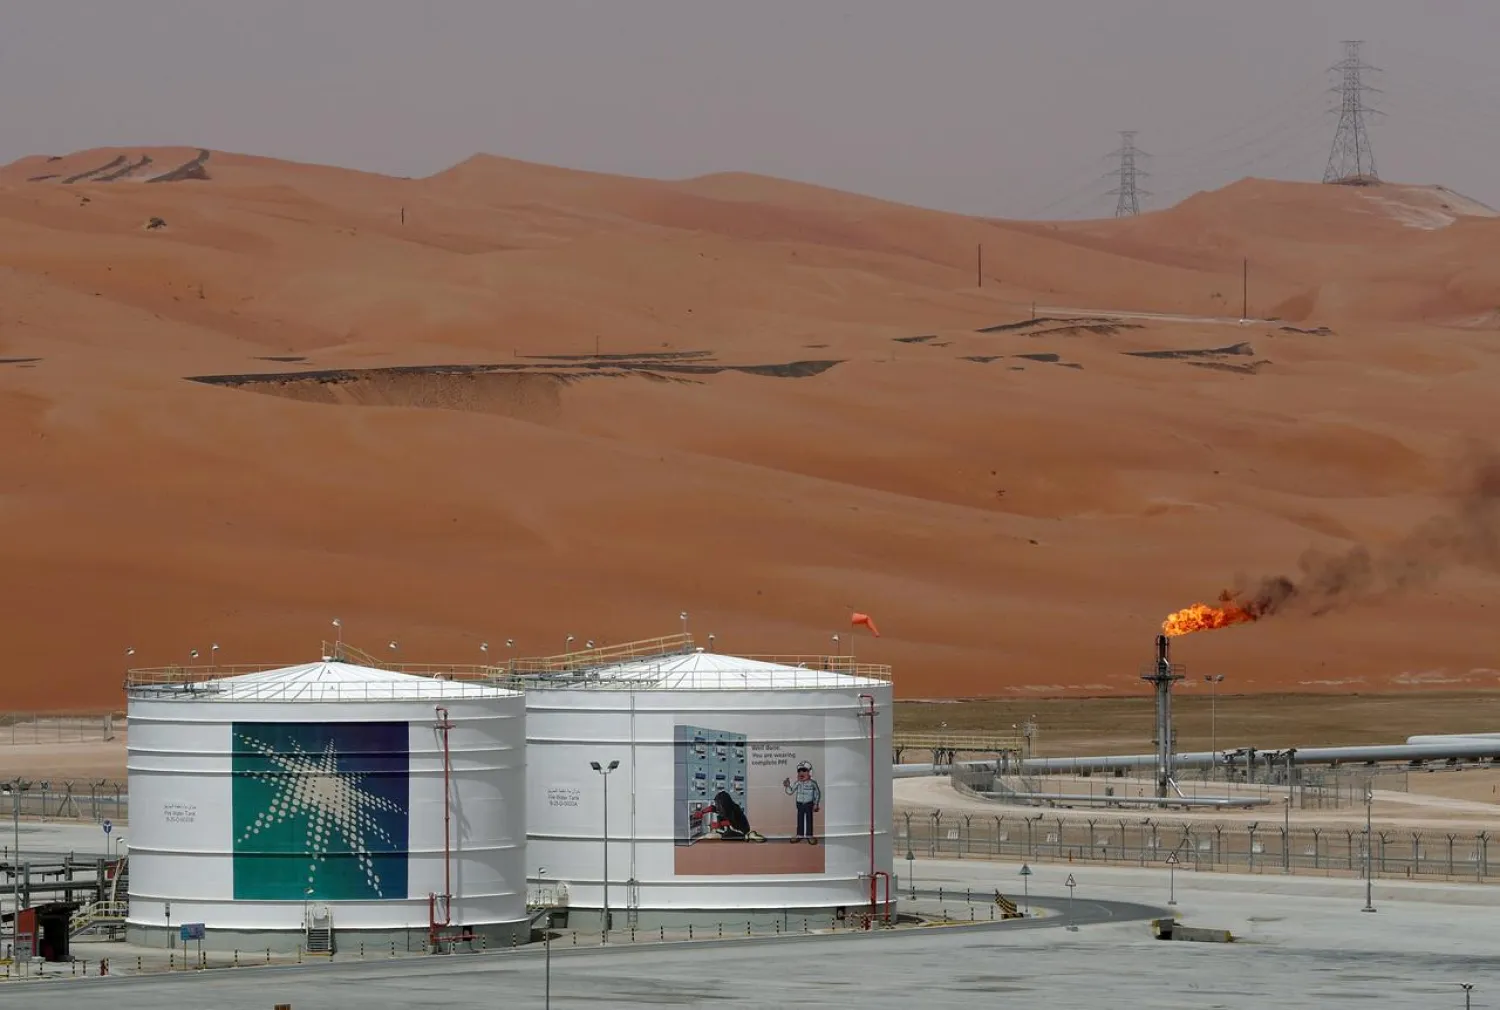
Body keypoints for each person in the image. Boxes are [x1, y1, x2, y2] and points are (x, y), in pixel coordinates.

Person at [783, 761, 822, 844]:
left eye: (804, 771)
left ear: (809, 772)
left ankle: (809, 835)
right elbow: (790, 791)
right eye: (799, 771)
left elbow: (817, 793)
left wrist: (816, 804)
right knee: (800, 819)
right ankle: (799, 835)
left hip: (809, 803)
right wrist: (787, 786)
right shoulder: (797, 783)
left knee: (809, 819)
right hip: (800, 803)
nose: (801, 773)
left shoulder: (812, 783)